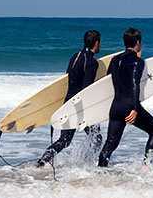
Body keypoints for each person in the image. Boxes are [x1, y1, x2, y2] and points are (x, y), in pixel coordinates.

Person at [36, 30, 103, 167]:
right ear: (96, 43)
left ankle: (42, 161)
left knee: (65, 140)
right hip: (81, 107)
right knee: (97, 138)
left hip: (67, 104)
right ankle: (86, 164)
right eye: (100, 42)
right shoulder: (92, 63)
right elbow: (87, 88)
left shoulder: (75, 56)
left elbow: (67, 78)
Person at [98, 28, 153, 168]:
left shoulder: (114, 60)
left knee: (110, 144)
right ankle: (146, 167)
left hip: (115, 108)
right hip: (129, 106)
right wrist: (134, 109)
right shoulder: (138, 62)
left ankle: (99, 173)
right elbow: (134, 85)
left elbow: (107, 81)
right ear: (138, 43)